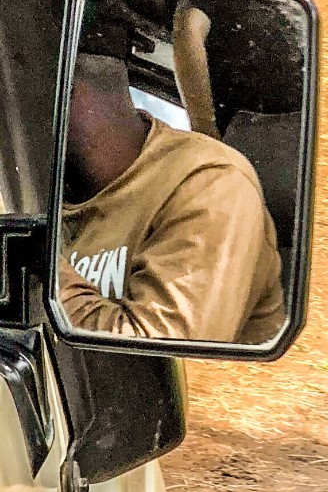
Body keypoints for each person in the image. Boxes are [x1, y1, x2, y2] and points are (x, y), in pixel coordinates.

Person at [59, 48, 285, 346]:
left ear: (66, 92)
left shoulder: (208, 181)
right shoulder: (49, 194)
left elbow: (163, 352)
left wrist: (41, 270)